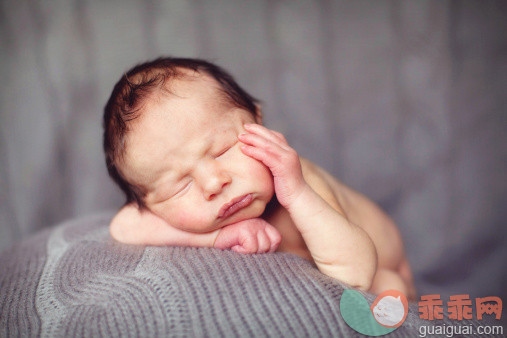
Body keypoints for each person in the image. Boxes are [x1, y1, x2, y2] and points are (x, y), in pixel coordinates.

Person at [103, 57, 416, 300]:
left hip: (381, 261)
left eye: (223, 150)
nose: (213, 183)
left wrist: (297, 193)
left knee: (384, 290)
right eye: (179, 185)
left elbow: (356, 273)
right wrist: (217, 237)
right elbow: (124, 225)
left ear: (257, 119)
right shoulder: (192, 211)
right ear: (150, 203)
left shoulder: (299, 181)